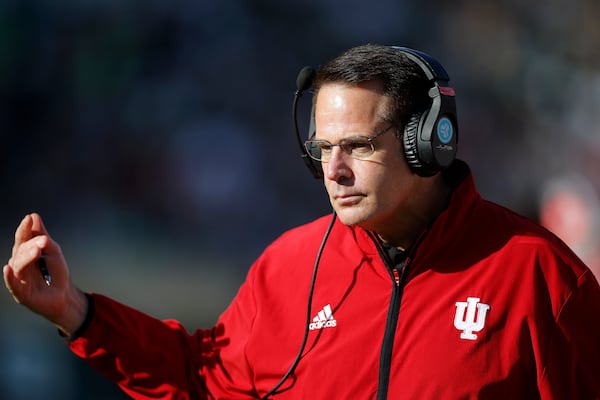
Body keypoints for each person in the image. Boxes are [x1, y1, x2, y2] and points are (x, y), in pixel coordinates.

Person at [4, 44, 600, 399]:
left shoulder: (540, 276)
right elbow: (204, 379)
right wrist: (78, 314)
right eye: (322, 148)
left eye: (358, 145)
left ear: (430, 144)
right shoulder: (289, 264)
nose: (331, 171)